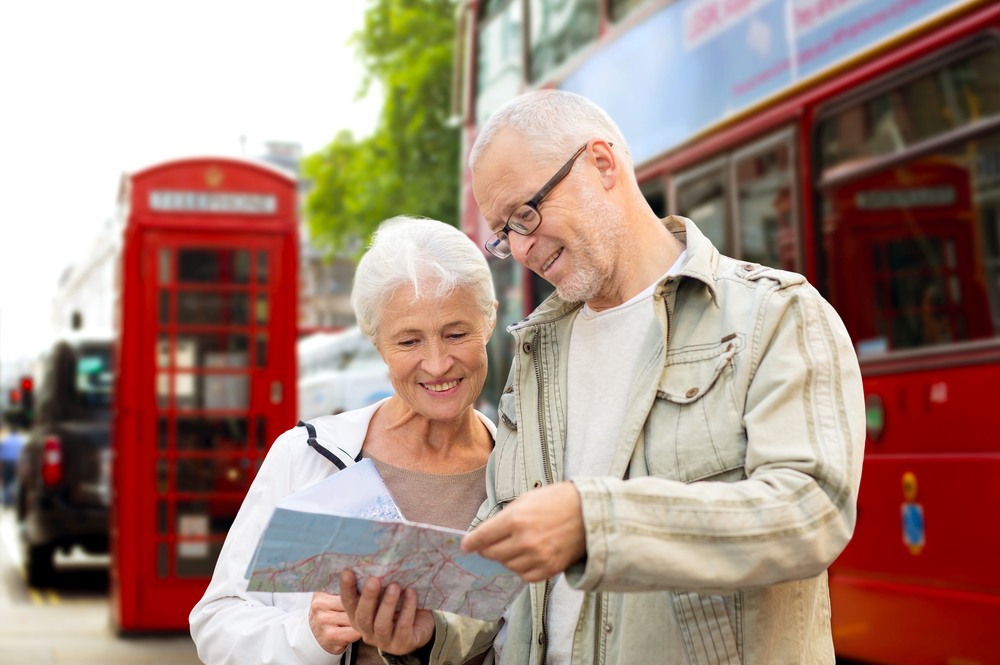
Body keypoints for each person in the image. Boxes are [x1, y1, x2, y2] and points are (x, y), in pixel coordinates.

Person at [342, 90, 866, 665]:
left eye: (525, 215)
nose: (520, 247)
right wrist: (427, 633)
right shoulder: (536, 351)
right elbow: (504, 562)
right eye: (502, 233)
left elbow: (810, 514)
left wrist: (597, 523)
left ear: (602, 164)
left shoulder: (774, 314)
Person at [189, 216, 500, 665]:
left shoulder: (518, 467)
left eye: (456, 334)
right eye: (409, 341)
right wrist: (309, 635)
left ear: (488, 319)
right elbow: (215, 621)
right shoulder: (307, 457)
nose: (436, 364)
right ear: (378, 344)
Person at [0, 425, 25, 507]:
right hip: (17, 463)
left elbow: (1, 456)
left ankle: (6, 501)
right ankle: (14, 500)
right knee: (16, 481)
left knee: (6, 482)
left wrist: (1, 467)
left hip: (7, 463)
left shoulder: (5, 441)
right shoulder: (21, 441)